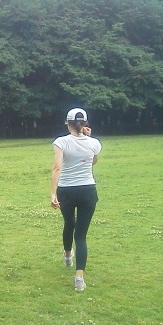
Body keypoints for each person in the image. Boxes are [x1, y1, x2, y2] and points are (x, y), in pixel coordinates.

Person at [50, 108, 102, 291]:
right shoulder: (94, 143)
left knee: (69, 223)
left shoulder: (61, 142)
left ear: (67, 122)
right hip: (88, 191)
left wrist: (52, 194)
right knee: (81, 235)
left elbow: (57, 168)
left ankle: (67, 255)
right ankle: (79, 279)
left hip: (66, 191)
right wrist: (89, 139)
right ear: (85, 123)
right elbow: (93, 161)